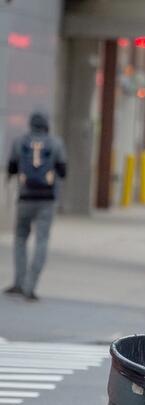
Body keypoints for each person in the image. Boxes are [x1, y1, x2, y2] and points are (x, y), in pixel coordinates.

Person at [5, 111, 66, 301]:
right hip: (46, 200)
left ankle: (18, 282)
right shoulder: (56, 143)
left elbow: (12, 168)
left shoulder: (20, 141)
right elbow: (63, 171)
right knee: (41, 241)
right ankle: (30, 286)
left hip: (25, 198)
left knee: (21, 239)